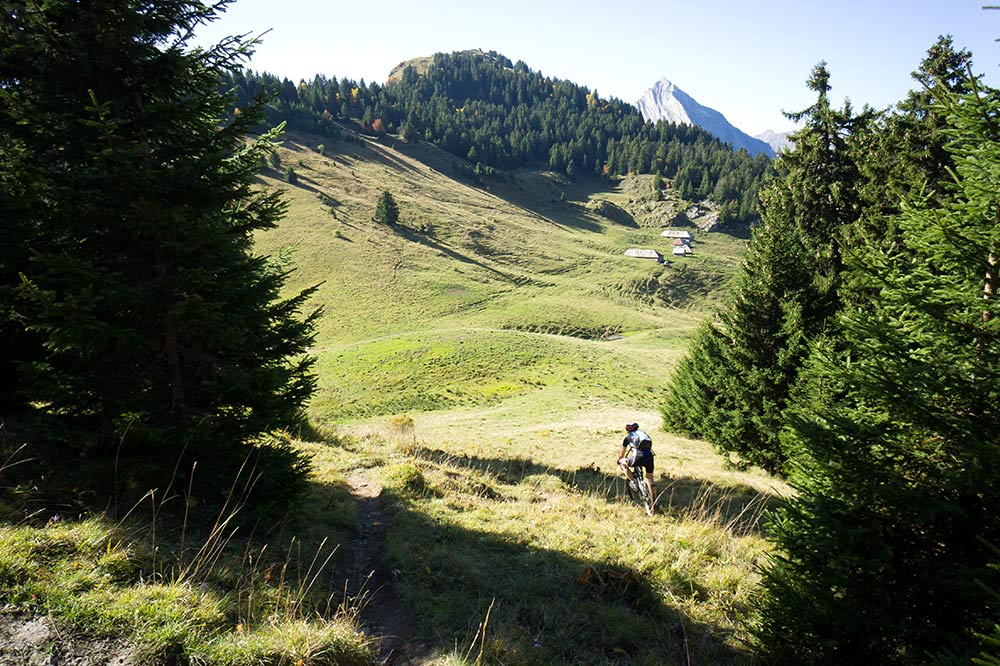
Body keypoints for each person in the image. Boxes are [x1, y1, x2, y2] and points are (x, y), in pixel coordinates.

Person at [617, 423, 656, 514]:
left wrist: (620, 460)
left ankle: (633, 481)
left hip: (637, 457)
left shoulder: (628, 438)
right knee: (650, 478)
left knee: (622, 463)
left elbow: (621, 454)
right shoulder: (643, 433)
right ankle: (654, 498)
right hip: (649, 456)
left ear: (628, 430)